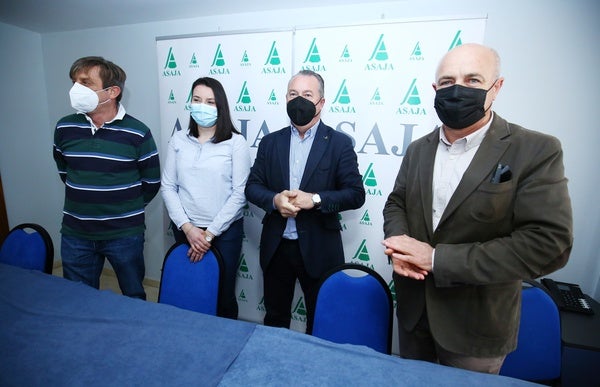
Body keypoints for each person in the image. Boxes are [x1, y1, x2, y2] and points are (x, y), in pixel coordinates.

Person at [382, 43, 573, 374]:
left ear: (495, 88)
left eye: (472, 80)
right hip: (414, 316)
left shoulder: (536, 150)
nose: (457, 90)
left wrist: (436, 259)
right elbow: (397, 201)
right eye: (447, 82)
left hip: (475, 328)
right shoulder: (418, 149)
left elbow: (548, 244)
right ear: (435, 89)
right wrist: (399, 244)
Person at [245, 70, 365, 333]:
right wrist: (275, 200)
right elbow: (252, 187)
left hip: (319, 249)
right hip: (277, 248)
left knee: (321, 321)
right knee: (275, 320)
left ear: (321, 103)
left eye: (307, 95)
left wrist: (316, 199)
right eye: (293, 94)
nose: (299, 100)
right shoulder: (269, 143)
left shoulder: (339, 144)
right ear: (285, 99)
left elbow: (355, 194)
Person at [53, 56, 160, 300]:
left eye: (85, 83)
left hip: (124, 234)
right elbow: (64, 171)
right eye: (73, 82)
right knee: (78, 298)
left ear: (112, 91)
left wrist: (123, 206)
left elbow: (151, 182)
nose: (75, 89)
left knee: (133, 295)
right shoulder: (64, 127)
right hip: (76, 233)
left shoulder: (138, 132)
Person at [161, 77, 251, 319]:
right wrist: (189, 229)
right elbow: (168, 186)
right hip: (185, 229)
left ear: (220, 106)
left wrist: (209, 234)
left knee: (222, 296)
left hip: (224, 233)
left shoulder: (236, 142)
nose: (202, 106)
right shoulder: (179, 139)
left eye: (210, 101)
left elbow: (240, 193)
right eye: (197, 100)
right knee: (188, 291)